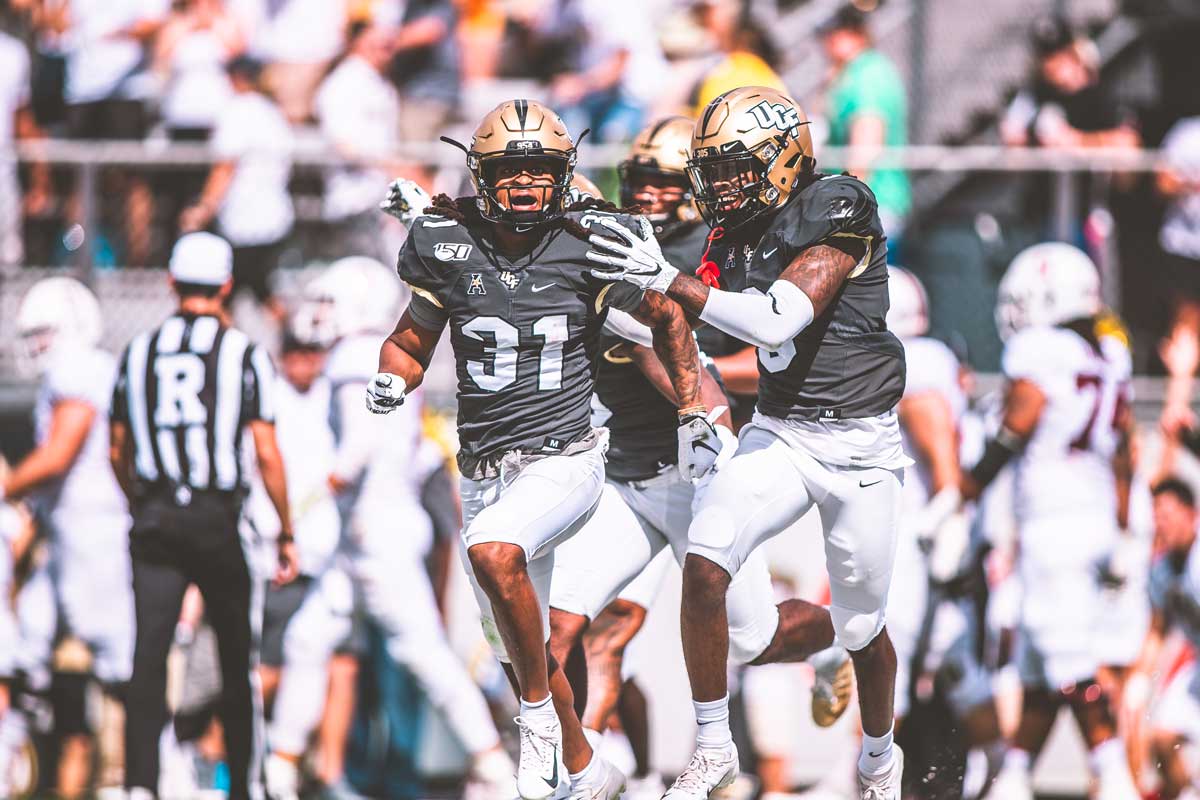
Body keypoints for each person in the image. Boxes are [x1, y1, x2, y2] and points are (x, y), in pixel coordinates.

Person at [367, 98, 710, 800]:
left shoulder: (590, 238)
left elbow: (668, 317)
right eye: (511, 171)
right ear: (483, 176)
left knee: (494, 552)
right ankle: (589, 771)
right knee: (520, 642)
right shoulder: (445, 242)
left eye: (540, 171)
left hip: (567, 456)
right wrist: (391, 377)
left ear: (564, 174)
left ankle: (537, 726)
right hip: (484, 469)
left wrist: (695, 406)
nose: (526, 185)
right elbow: (411, 338)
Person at [586, 85, 909, 799]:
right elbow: (685, 335)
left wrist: (665, 279)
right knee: (706, 564)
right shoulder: (729, 234)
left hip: (860, 447)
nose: (722, 184)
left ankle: (881, 757)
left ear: (784, 156)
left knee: (860, 624)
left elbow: (771, 322)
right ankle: (712, 746)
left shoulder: (837, 204)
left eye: (736, 167)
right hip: (780, 434)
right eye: (714, 169)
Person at [545, 120, 853, 772]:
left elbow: (767, 352)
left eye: (665, 181)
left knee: (752, 638)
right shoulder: (625, 240)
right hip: (628, 469)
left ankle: (836, 640)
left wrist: (699, 380)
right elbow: (563, 212)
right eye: (642, 181)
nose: (651, 196)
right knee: (585, 630)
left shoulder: (737, 249)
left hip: (709, 464)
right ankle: (587, 774)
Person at [265, 257, 515, 800]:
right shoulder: (368, 354)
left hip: (377, 532)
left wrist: (315, 494)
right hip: (369, 531)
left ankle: (493, 765)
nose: (322, 314)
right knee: (310, 639)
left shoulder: (356, 355)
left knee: (423, 653)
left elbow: (363, 439)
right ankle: (279, 768)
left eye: (331, 302)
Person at [109, 231, 299, 800]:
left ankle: (141, 784)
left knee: (149, 656)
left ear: (170, 283)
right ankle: (244, 785)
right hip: (218, 519)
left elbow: (117, 447)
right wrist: (286, 529)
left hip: (157, 515)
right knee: (238, 658)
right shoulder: (242, 352)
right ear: (225, 285)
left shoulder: (138, 349)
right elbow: (266, 450)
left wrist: (140, 502)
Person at [945, 243, 1139, 800]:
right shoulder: (1106, 353)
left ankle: (1117, 777)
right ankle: (1014, 778)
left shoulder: (1041, 350)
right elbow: (1124, 447)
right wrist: (1124, 529)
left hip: (1055, 522)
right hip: (1092, 514)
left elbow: (1015, 429)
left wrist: (962, 492)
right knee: (1037, 665)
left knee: (1070, 664)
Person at [0, 277, 134, 796]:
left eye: (44, 332)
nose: (36, 345)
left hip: (95, 536)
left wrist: (9, 483)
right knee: (24, 650)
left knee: (116, 666)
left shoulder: (82, 370)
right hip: (69, 536)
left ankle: (146, 777)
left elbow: (59, 454)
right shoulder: (74, 370)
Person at [884, 266, 1002, 798]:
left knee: (886, 658)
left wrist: (950, 496)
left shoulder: (914, 358)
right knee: (954, 668)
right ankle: (1006, 768)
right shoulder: (937, 356)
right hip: (941, 535)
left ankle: (869, 778)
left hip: (919, 534)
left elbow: (927, 411)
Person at [179, 55, 294, 318]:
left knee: (230, 293)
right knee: (253, 288)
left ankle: (291, 338)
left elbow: (225, 167)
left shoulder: (238, 111)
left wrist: (204, 209)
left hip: (245, 220)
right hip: (275, 216)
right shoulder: (272, 112)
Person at [1123, 478, 1200, 800]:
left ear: (1192, 514)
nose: (1161, 524)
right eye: (1156, 516)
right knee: (1163, 738)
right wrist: (1139, 679)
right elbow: (1157, 628)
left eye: (1167, 515)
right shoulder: (1161, 569)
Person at [819, 5, 910, 248]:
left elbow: (865, 149)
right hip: (870, 206)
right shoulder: (860, 72)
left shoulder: (867, 76)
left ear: (854, 34)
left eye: (831, 34)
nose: (824, 43)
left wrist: (847, 213)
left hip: (870, 209)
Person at [314, 20, 405, 261]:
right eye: (376, 38)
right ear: (358, 41)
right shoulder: (342, 83)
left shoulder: (380, 82)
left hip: (382, 199)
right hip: (356, 201)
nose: (386, 44)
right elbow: (343, 144)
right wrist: (390, 166)